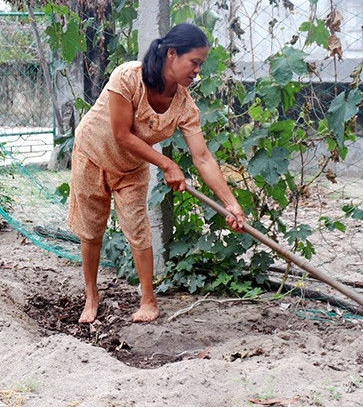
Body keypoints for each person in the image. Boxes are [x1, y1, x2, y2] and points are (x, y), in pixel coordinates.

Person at [67, 23, 246, 324]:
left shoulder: (185, 106)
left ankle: (148, 300)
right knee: (91, 228)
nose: (197, 71)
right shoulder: (128, 77)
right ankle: (91, 295)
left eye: (201, 64)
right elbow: (122, 134)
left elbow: (202, 157)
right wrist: (167, 164)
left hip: (131, 166)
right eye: (195, 62)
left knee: (139, 230)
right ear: (172, 54)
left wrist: (230, 203)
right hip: (93, 154)